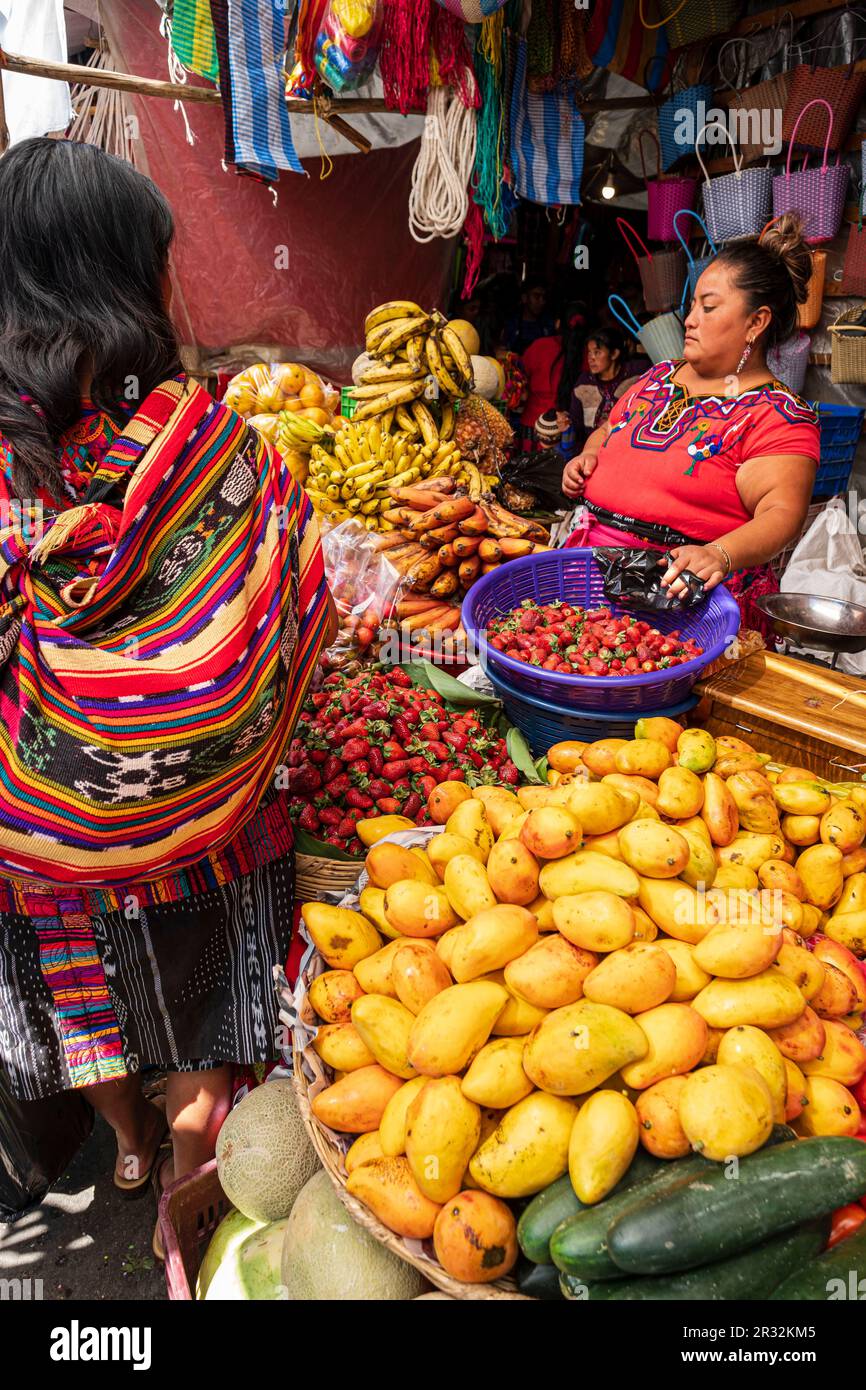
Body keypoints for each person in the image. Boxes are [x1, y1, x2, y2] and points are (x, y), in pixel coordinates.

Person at [0, 139, 334, 1255]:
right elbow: (296, 585)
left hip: (42, 823)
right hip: (211, 830)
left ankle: (126, 1140)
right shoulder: (200, 436)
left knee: (68, 947)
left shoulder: (11, 457)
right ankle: (195, 1155)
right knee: (199, 959)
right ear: (126, 274)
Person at [561, 214, 820, 635]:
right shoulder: (657, 377)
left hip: (680, 606)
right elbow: (609, 429)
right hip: (590, 582)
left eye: (709, 307)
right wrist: (588, 456)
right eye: (693, 305)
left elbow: (781, 513)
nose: (690, 319)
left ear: (757, 322)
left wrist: (720, 553)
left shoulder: (776, 414)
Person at [519, 311, 585, 448]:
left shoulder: (540, 346)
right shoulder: (587, 354)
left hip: (533, 429)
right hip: (565, 432)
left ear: (558, 323)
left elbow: (520, 381)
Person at [569, 327, 641, 451]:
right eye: (589, 353)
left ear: (614, 353)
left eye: (597, 352)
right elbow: (576, 423)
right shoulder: (584, 383)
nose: (591, 358)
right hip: (592, 451)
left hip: (627, 448)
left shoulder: (636, 376)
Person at [505, 280, 556, 354]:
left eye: (544, 297)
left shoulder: (548, 325)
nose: (542, 302)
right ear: (524, 298)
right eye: (537, 296)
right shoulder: (512, 324)